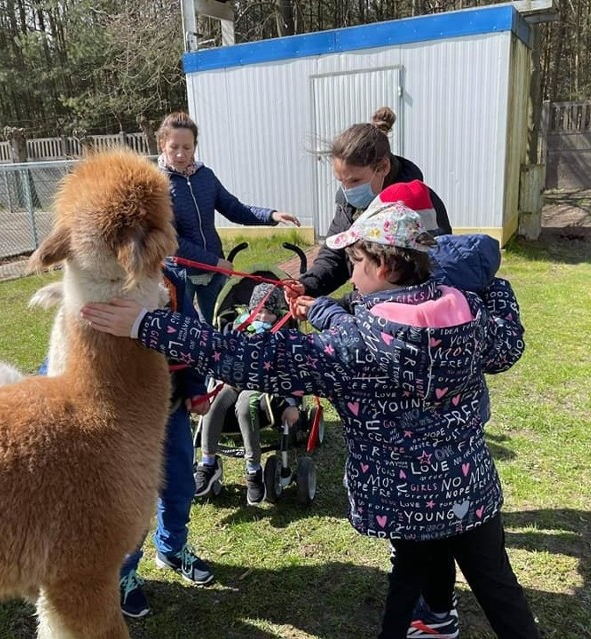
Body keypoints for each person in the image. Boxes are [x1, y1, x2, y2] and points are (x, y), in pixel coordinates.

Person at [81, 204, 540, 639]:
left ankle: (428, 621)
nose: (351, 271)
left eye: (355, 260)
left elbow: (245, 356)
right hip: (469, 489)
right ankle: (443, 623)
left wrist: (148, 325)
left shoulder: (351, 352)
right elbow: (507, 341)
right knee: (497, 584)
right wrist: (491, 283)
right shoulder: (467, 314)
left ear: (380, 267)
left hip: (406, 499)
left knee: (405, 586)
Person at [40, 264, 216, 619]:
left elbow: (191, 337)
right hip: (120, 422)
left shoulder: (172, 281)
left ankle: (172, 547)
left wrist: (196, 389)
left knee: (181, 483)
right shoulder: (94, 283)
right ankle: (123, 572)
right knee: (130, 500)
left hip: (169, 408)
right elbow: (67, 347)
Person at [156, 111, 300, 323]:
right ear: (162, 144)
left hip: (214, 273)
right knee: (185, 330)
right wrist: (214, 261)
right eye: (174, 147)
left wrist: (271, 215)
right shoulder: (157, 184)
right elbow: (172, 241)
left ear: (195, 146)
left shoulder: (206, 176)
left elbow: (234, 208)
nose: (180, 154)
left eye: (187, 147)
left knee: (218, 325)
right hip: (180, 273)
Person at [298, 107, 452, 304]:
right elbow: (333, 257)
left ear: (383, 168)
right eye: (340, 181)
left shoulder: (419, 206)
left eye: (354, 181)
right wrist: (307, 285)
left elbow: (406, 281)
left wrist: (341, 305)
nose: (347, 190)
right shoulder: (348, 204)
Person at [193, 282, 301, 506]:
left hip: (260, 386)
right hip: (231, 380)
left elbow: (293, 371)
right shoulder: (234, 327)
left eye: (269, 312)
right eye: (259, 311)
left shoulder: (282, 334)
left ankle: (254, 469)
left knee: (245, 405)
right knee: (214, 402)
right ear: (250, 309)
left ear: (277, 313)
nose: (262, 317)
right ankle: (208, 462)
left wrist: (292, 403)